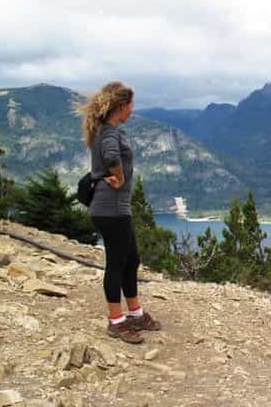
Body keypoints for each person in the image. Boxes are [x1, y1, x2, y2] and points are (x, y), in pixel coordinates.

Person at [77, 81, 161, 344]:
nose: (132, 111)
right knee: (116, 264)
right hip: (110, 208)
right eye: (131, 105)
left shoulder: (104, 130)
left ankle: (135, 313)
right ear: (121, 106)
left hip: (114, 208)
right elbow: (112, 157)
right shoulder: (110, 133)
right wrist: (120, 177)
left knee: (131, 259)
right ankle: (116, 321)